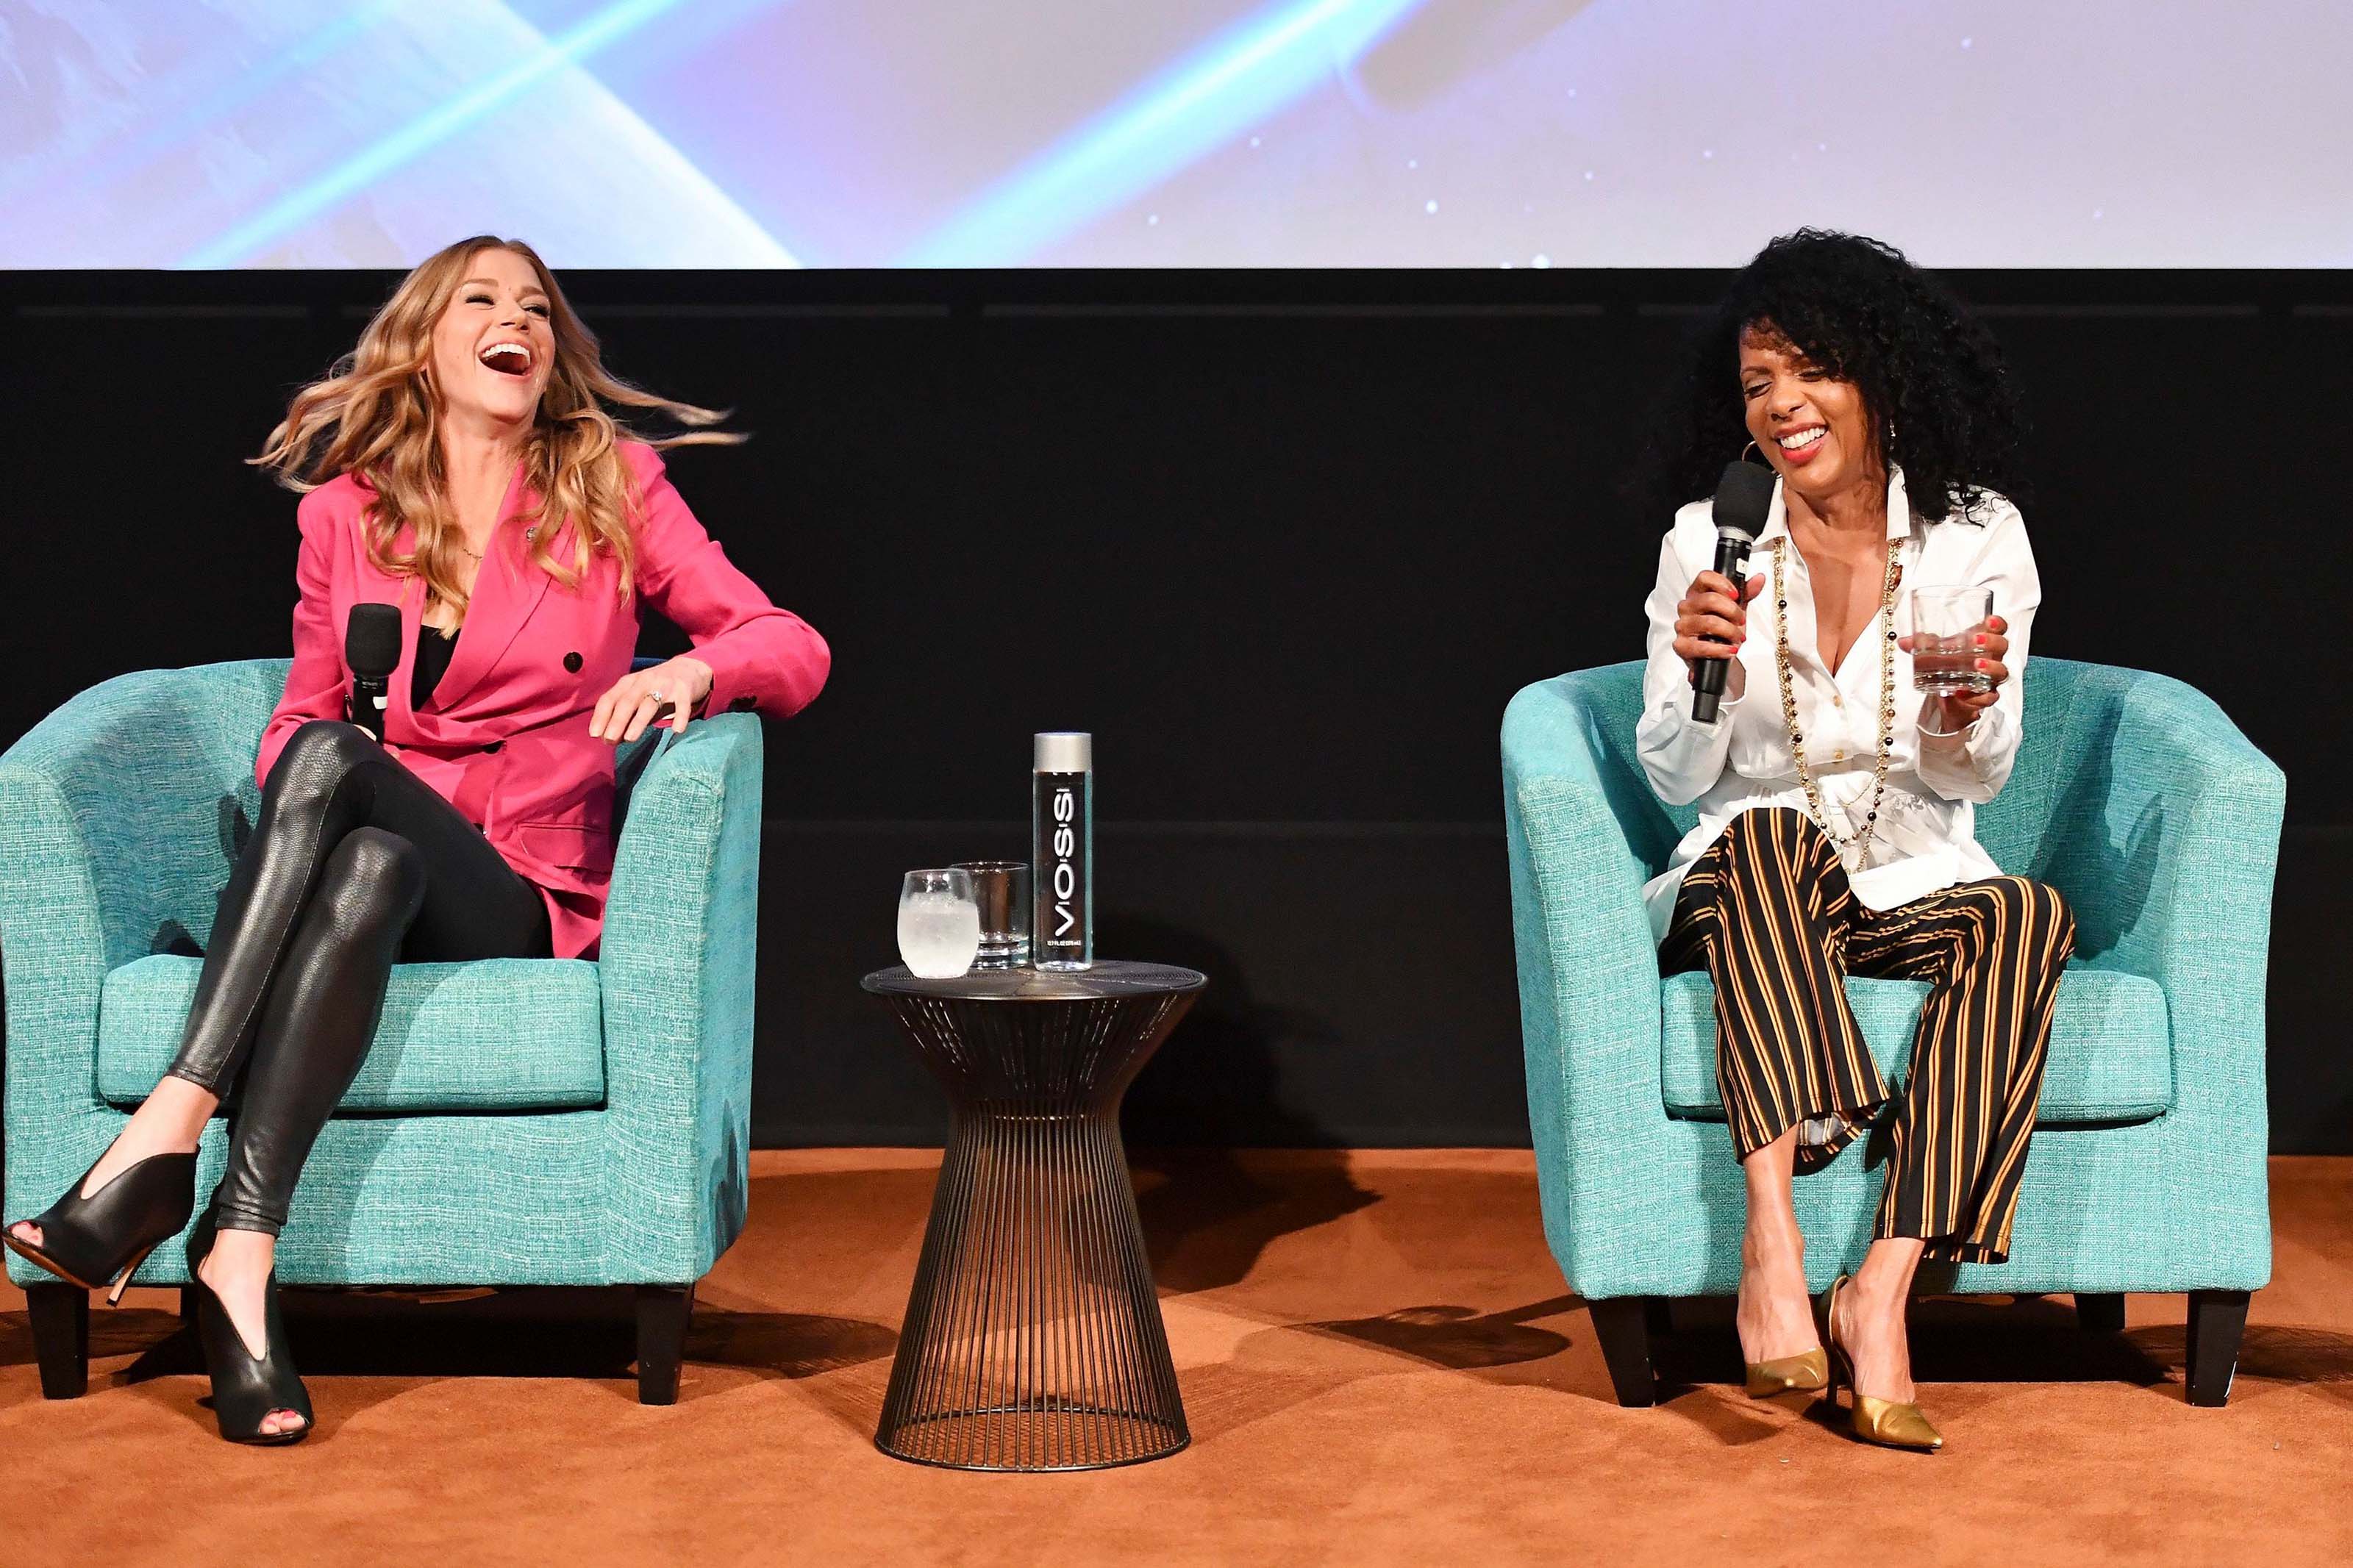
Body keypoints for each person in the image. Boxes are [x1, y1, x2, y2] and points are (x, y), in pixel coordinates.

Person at [4, 235, 829, 1444]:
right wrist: (323, 792)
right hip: (389, 870)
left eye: (538, 309)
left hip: (520, 883)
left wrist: (696, 672)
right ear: (426, 347)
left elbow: (793, 643)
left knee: (343, 769)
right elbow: (301, 712)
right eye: (483, 302)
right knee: (361, 829)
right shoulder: (350, 513)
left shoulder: (610, 484)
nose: (520, 323)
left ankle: (158, 1139)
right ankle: (240, 1259)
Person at [1639, 229, 2074, 1450]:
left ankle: (1879, 1287)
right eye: (1755, 385)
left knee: (2027, 914)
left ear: (1880, 373)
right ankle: (1769, 1234)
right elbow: (1675, 773)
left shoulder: (1979, 538)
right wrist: (1695, 660)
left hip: (1908, 877)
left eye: (1808, 371)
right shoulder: (1707, 540)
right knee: (1772, 834)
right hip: (1756, 883)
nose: (1781, 406)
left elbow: (1975, 774)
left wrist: (1966, 710)